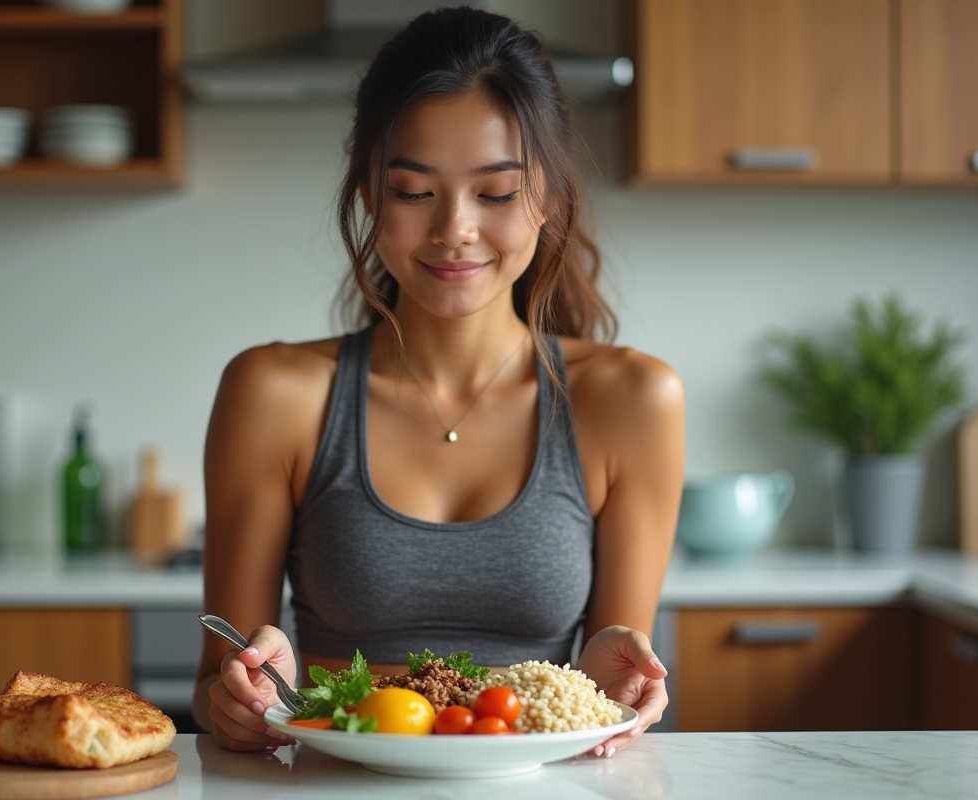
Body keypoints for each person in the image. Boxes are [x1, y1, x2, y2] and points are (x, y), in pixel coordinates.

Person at [192, 6, 685, 758]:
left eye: (494, 193)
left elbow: (599, 691)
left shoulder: (633, 401)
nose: (454, 227)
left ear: (547, 199)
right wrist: (244, 694)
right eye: (415, 191)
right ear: (368, 196)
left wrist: (609, 673)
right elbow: (214, 688)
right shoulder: (274, 393)